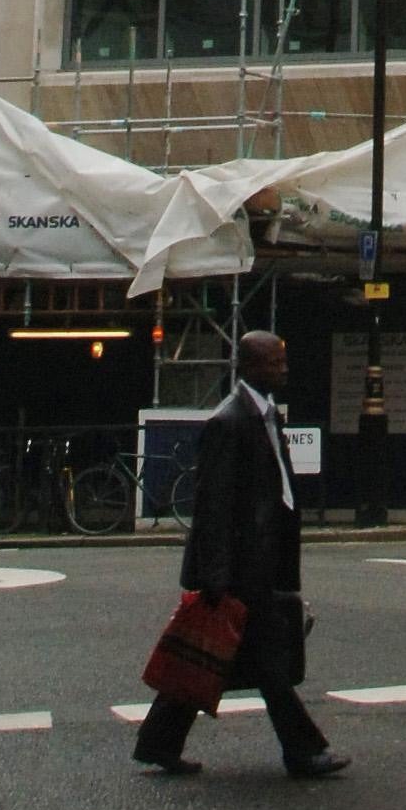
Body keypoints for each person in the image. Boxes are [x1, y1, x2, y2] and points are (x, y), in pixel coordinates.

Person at [132, 332, 344, 781]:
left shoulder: (264, 416)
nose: (283, 369)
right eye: (274, 362)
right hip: (240, 568)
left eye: (283, 361)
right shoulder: (229, 422)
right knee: (267, 663)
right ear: (249, 366)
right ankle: (303, 753)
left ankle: (158, 743)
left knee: (208, 656)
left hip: (259, 563)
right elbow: (214, 506)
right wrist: (215, 576)